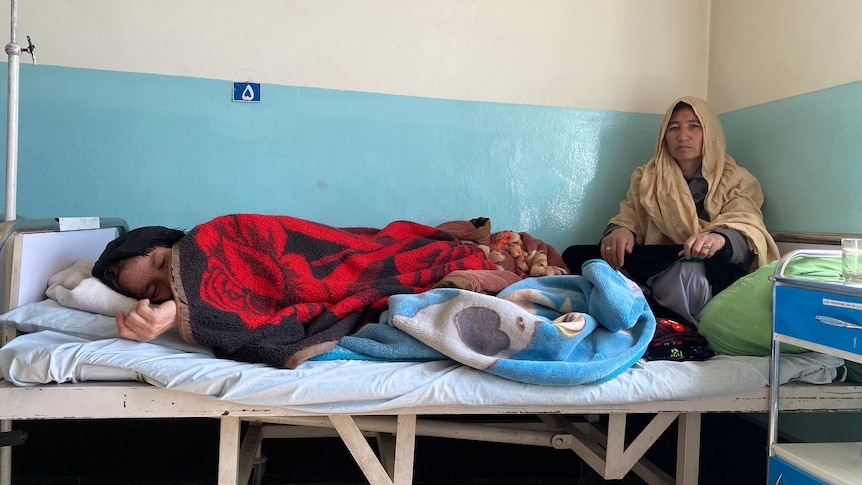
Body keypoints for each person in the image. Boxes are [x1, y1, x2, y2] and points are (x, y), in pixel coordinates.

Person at [93, 213, 568, 368]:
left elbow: (340, 256)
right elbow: (251, 320)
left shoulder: (220, 234)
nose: (170, 279)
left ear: (170, 242)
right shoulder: (181, 308)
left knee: (399, 254)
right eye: (156, 289)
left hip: (366, 254)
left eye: (160, 261)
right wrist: (177, 316)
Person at [563, 96, 779, 326]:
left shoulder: (739, 179)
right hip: (660, 258)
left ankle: (650, 309)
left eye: (694, 127)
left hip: (707, 265)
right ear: (664, 137)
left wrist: (717, 238)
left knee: (688, 271)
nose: (682, 136)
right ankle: (641, 301)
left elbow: (747, 225)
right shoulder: (647, 177)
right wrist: (620, 231)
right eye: (673, 128)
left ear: (710, 132)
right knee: (578, 255)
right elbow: (629, 214)